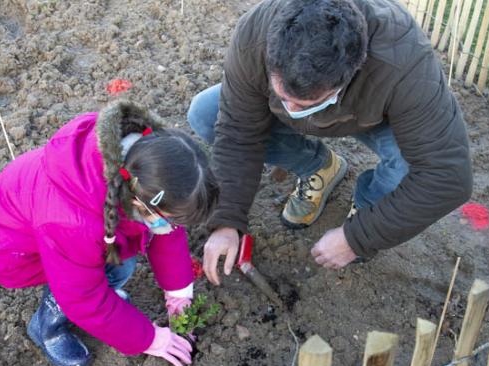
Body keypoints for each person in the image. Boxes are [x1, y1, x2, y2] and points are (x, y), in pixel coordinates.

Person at [189, 0, 472, 284]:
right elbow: (238, 130)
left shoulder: (402, 62)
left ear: (350, 73)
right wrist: (226, 220)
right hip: (326, 95)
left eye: (306, 103)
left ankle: (368, 205)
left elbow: (447, 175)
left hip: (375, 115)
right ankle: (319, 167)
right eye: (284, 97)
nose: (293, 112)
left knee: (408, 169)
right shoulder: (256, 34)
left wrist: (358, 236)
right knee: (205, 114)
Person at [0, 100, 219, 366]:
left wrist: (179, 294)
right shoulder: (74, 223)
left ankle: (100, 283)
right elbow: (83, 297)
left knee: (120, 260)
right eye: (170, 221)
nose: (172, 228)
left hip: (48, 226)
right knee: (99, 275)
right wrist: (150, 339)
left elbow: (167, 234)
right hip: (11, 249)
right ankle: (47, 326)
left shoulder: (143, 166)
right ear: (139, 204)